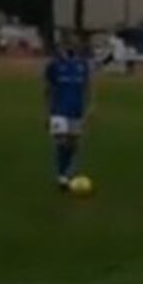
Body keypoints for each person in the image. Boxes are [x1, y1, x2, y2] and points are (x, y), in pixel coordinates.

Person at [45, 35, 92, 190]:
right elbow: (48, 89)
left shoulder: (82, 65)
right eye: (68, 44)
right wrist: (47, 112)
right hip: (58, 111)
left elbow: (86, 87)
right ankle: (62, 175)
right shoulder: (54, 65)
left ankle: (68, 172)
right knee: (62, 142)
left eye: (74, 44)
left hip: (76, 110)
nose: (72, 47)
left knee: (73, 143)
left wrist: (90, 107)